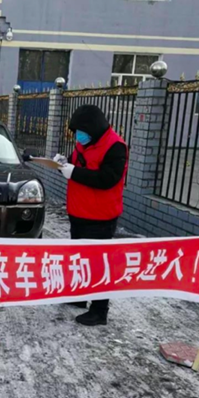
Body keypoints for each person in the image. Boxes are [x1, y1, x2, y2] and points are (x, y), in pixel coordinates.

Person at [56, 104, 128, 326]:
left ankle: (99, 310)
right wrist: (63, 164)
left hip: (100, 217)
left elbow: (107, 179)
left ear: (93, 127)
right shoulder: (84, 143)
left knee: (98, 263)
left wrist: (74, 172)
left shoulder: (115, 147)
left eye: (81, 131)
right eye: (76, 131)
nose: (78, 136)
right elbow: (75, 163)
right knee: (79, 259)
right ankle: (79, 296)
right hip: (78, 212)